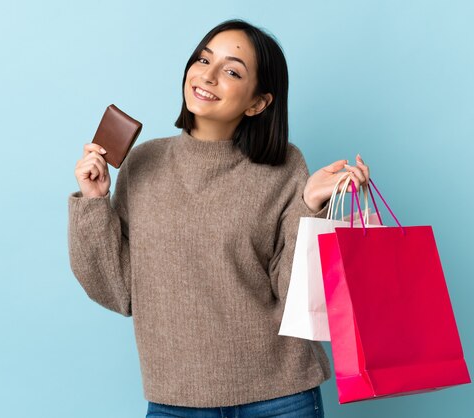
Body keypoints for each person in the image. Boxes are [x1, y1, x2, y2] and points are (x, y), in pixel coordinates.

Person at [68, 18, 370, 418]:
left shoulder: (284, 166)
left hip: (281, 395)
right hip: (176, 399)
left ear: (258, 102)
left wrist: (309, 204)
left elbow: (294, 292)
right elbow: (118, 291)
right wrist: (93, 202)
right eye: (202, 59)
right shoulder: (142, 164)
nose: (207, 76)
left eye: (231, 71)